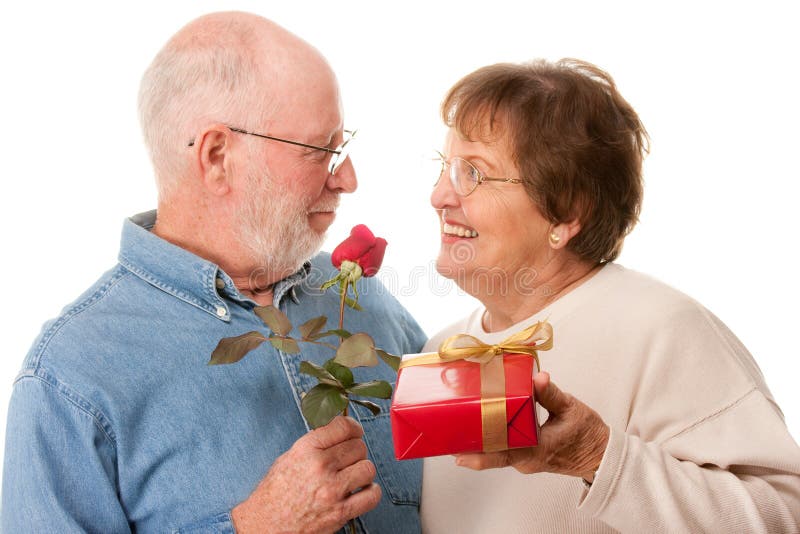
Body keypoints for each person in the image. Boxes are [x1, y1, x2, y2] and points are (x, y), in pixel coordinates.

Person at [1, 11, 425, 533]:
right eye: (321, 150)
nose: (348, 178)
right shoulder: (68, 379)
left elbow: (474, 476)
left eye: (344, 145)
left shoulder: (364, 301)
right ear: (218, 156)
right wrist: (254, 527)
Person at [421, 58, 800, 532]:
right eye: (445, 168)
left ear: (565, 214)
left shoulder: (662, 329)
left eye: (473, 174)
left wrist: (597, 456)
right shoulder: (440, 350)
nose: (438, 196)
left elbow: (786, 516)